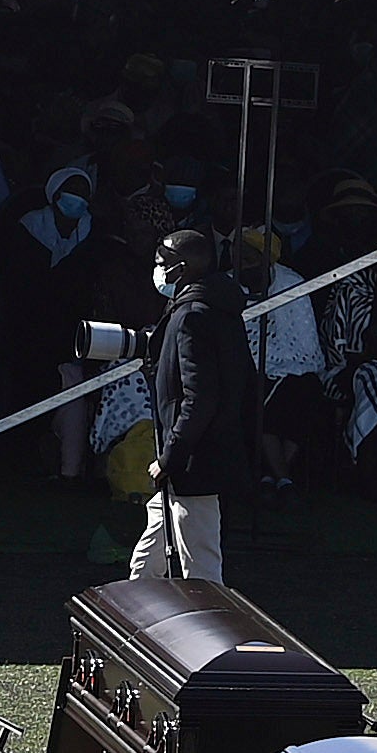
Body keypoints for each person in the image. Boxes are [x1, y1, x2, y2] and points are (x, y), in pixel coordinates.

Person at [132, 226, 250, 583]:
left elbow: (198, 398)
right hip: (195, 461)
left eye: (161, 263)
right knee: (146, 564)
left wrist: (171, 456)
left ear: (180, 269)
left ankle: (213, 636)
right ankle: (135, 626)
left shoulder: (192, 316)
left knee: (201, 570)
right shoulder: (217, 308)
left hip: (195, 464)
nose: (156, 270)